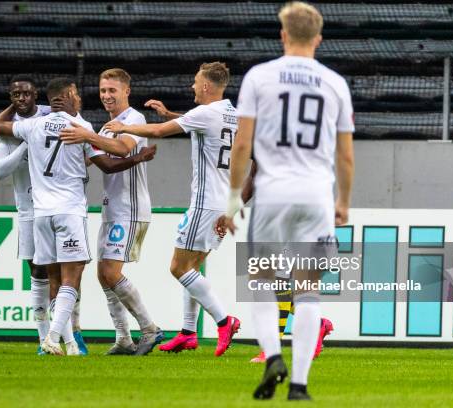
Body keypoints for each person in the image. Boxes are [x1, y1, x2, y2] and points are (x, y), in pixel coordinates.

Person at [220, 1, 354, 400]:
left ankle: (273, 355)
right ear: (318, 38)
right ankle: (299, 385)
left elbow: (243, 144)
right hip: (315, 194)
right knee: (307, 287)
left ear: (282, 35)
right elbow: (345, 155)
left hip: (273, 194)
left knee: (261, 279)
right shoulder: (334, 83)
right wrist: (343, 201)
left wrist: (231, 201)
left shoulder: (260, 77)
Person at [0, 77, 156, 355]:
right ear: (68, 96)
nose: (82, 98)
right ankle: (53, 338)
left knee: (51, 280)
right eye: (77, 94)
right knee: (72, 278)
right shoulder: (83, 128)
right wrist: (138, 158)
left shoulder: (32, 126)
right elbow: (106, 164)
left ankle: (71, 344)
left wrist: (13, 103)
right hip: (69, 211)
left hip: (40, 213)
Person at [102, 62, 241, 357]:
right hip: (223, 199)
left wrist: (124, 126)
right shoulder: (230, 112)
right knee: (193, 268)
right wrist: (171, 115)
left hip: (205, 202)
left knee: (178, 268)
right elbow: (199, 124)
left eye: (195, 82)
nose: (192, 86)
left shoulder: (204, 113)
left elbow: (159, 131)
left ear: (205, 86)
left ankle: (224, 321)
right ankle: (189, 333)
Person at [59, 68, 162, 355]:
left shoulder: (134, 119)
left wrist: (86, 136)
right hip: (111, 209)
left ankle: (150, 329)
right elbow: (98, 160)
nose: (106, 96)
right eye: (103, 91)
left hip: (131, 209)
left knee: (110, 272)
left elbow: (120, 148)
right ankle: (123, 339)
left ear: (126, 91)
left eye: (112, 90)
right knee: (103, 275)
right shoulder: (105, 127)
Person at [240, 163, 334, 364]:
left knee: (277, 283)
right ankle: (317, 326)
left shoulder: (274, 142)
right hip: (287, 216)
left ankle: (271, 350)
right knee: (277, 284)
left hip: (294, 217)